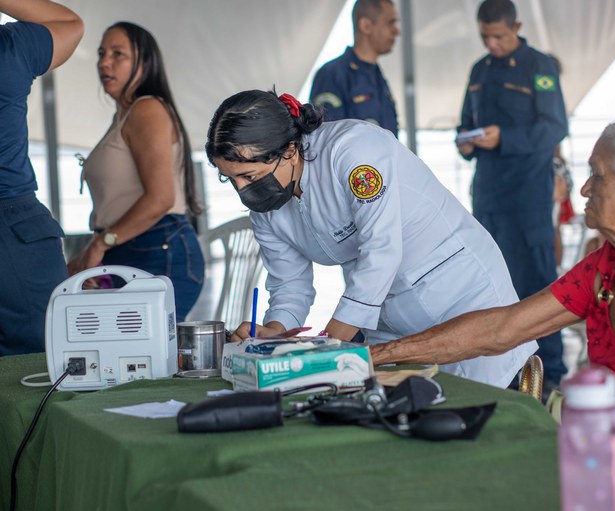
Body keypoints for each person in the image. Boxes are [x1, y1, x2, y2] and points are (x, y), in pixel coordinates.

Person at [372, 111, 615, 463]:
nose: (584, 189)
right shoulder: (609, 262)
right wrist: (379, 355)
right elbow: (503, 328)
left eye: (599, 175)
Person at [207, 89, 537, 388]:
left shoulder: (353, 150)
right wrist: (275, 331)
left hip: (459, 297)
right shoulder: (267, 208)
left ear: (290, 150)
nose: (243, 190)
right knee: (402, 411)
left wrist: (328, 345)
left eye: (249, 176)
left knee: (483, 407)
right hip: (385, 315)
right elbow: (289, 284)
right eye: (231, 179)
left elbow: (381, 251)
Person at [456, 0, 569, 392]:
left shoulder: (540, 67)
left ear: (517, 27)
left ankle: (550, 376)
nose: (492, 44)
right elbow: (464, 124)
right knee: (489, 286)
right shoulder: (479, 71)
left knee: (538, 286)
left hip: (528, 198)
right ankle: (503, 375)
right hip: (488, 196)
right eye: (485, 37)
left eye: (499, 37)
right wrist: (465, 142)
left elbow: (554, 127)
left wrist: (505, 137)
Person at [67, 22, 204, 320]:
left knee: (139, 346)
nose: (104, 62)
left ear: (145, 63)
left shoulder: (147, 109)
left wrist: (101, 243)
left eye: (118, 54)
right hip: (129, 246)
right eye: (102, 53)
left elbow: (160, 198)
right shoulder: (125, 116)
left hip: (155, 246)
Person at [0, 0, 83, 356]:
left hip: (15, 226)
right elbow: (69, 24)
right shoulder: (9, 49)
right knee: (47, 363)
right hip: (14, 223)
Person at [309, 0, 399, 137]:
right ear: (366, 26)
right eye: (390, 23)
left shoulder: (377, 75)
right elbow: (324, 138)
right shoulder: (332, 74)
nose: (396, 31)